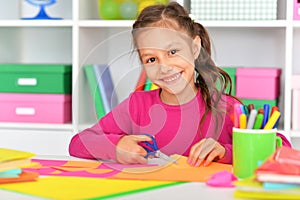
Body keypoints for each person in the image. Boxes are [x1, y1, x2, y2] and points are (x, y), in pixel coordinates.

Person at [69, 2, 291, 167]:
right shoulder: (136, 105)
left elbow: (282, 147)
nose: (164, 67)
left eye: (173, 52)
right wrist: (116, 147)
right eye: (151, 59)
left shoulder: (225, 106)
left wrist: (225, 151)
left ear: (195, 48)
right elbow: (79, 143)